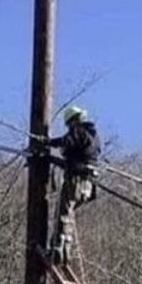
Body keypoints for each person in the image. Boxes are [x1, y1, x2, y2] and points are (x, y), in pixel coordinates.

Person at [47, 106, 100, 262]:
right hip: (88, 185)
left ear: (73, 121)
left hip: (76, 182)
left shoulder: (79, 131)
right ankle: (65, 250)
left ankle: (58, 249)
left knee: (62, 214)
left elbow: (66, 141)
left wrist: (49, 143)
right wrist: (52, 159)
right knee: (69, 215)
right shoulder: (93, 136)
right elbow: (74, 162)